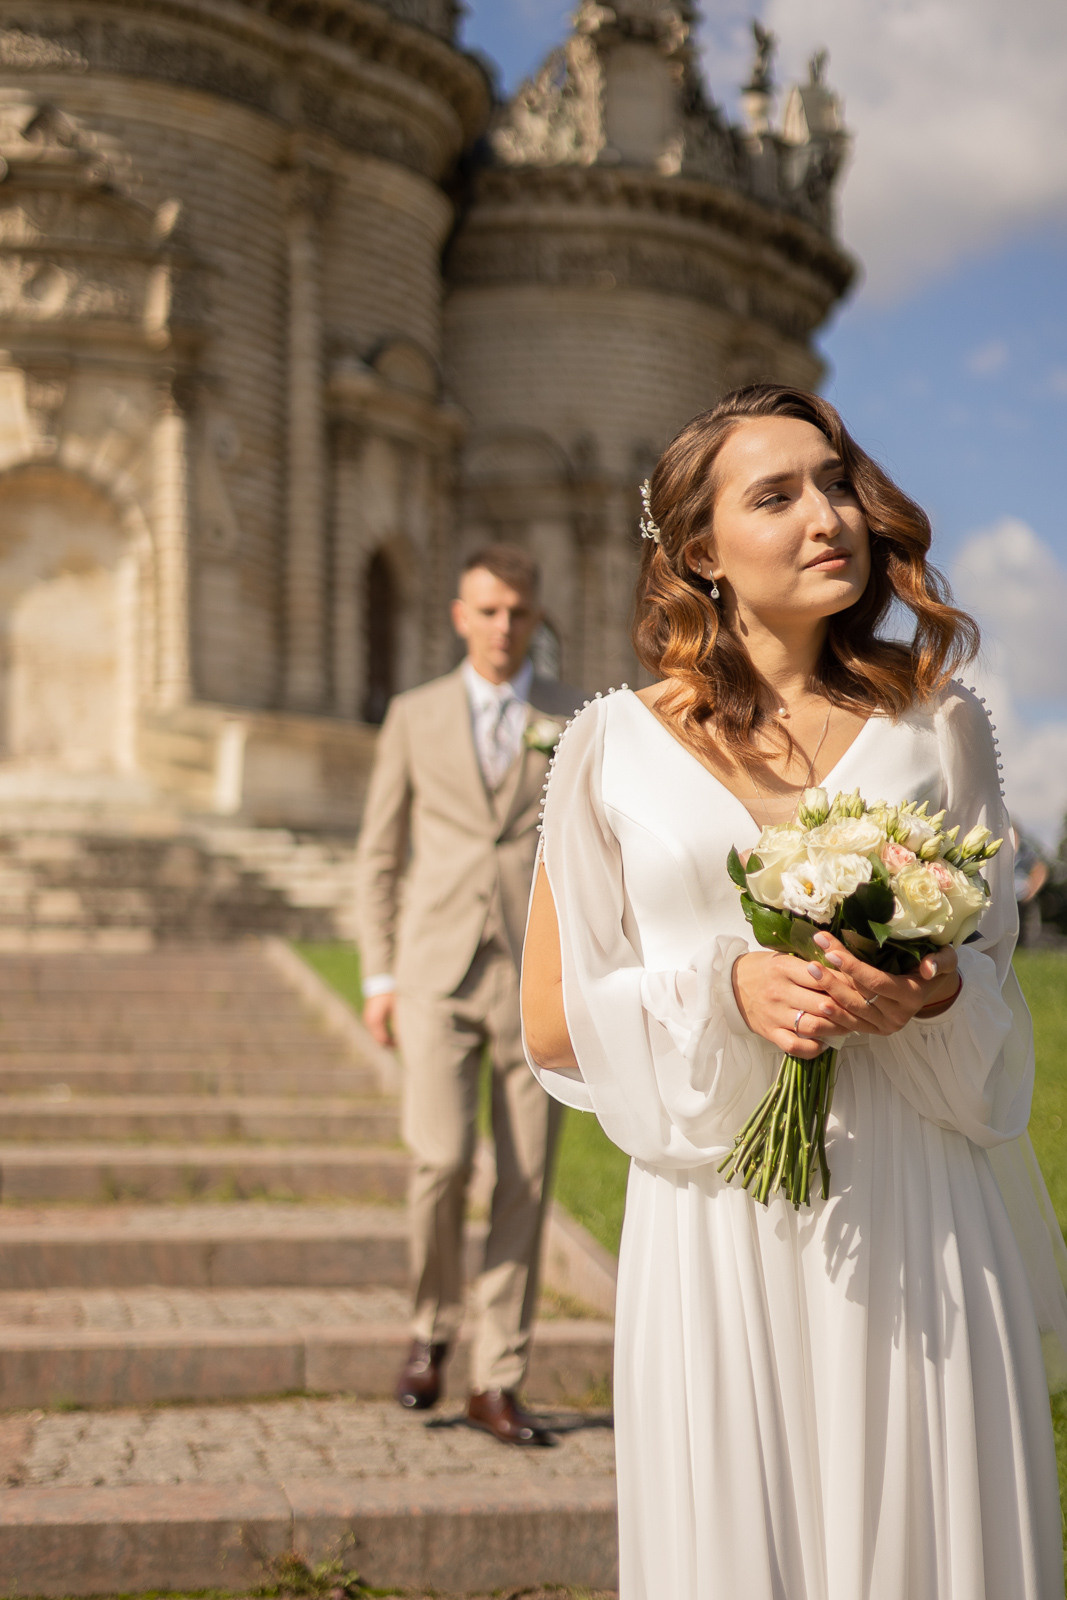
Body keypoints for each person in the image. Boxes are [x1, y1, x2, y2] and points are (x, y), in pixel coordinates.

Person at [521, 385, 1067, 1597]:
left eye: (833, 482)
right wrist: (725, 984)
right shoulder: (605, 749)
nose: (828, 515)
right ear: (701, 551)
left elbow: (984, 969)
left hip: (914, 1198)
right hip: (717, 1221)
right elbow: (553, 1019)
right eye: (777, 495)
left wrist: (917, 993)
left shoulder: (936, 727)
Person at [355, 544, 579, 1446]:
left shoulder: (573, 717)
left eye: (518, 613)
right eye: (487, 611)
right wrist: (377, 975)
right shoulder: (412, 716)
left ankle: (498, 1378)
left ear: (536, 617)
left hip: (536, 973)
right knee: (440, 1161)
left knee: (526, 1177)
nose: (502, 627)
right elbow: (378, 853)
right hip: (433, 970)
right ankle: (431, 1329)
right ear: (459, 615)